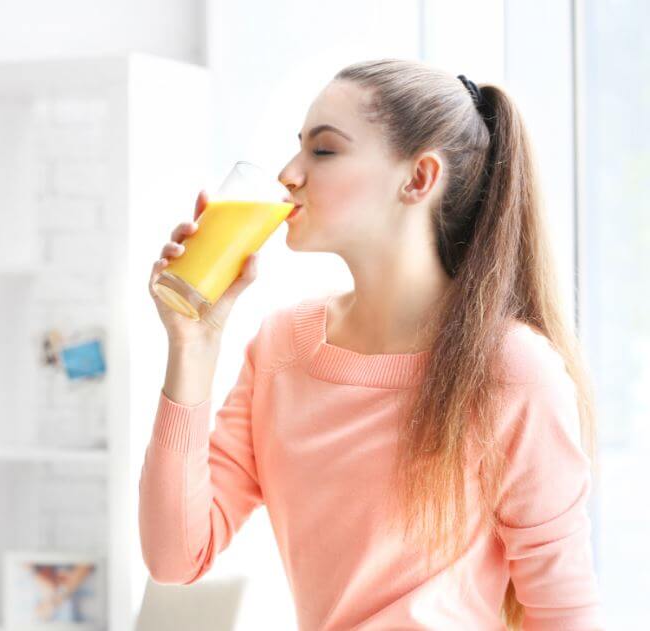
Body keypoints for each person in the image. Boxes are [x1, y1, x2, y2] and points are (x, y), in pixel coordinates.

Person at [140, 58, 604, 630]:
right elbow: (174, 558)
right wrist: (192, 345)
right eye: (298, 148)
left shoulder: (511, 369)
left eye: (324, 151)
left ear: (418, 179)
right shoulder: (282, 348)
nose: (289, 173)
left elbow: (565, 615)